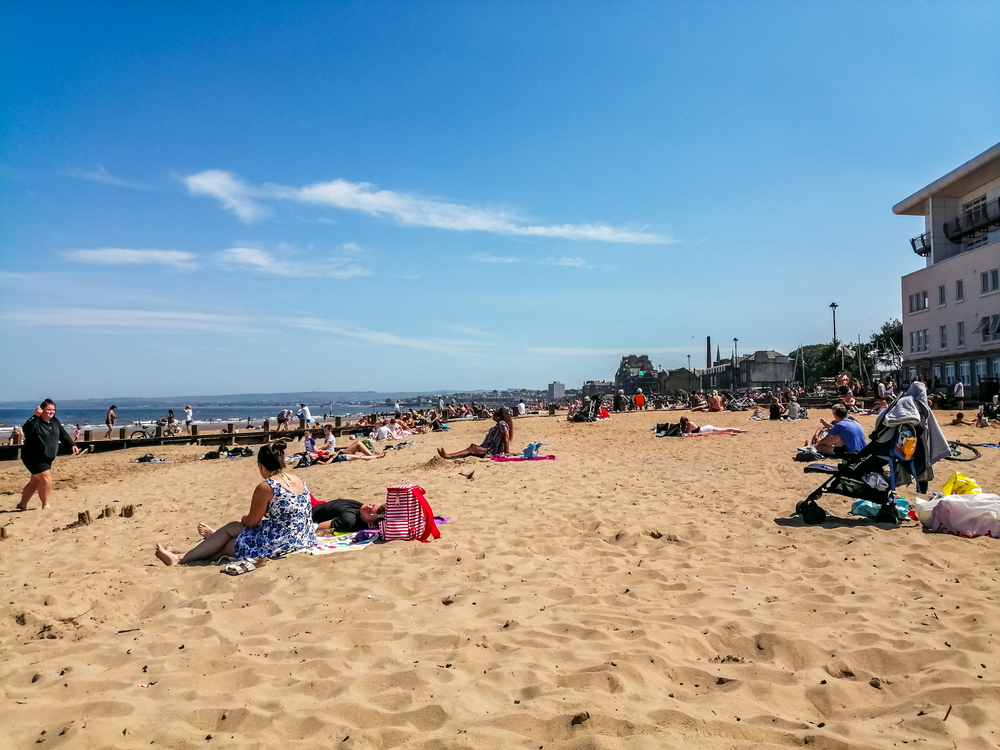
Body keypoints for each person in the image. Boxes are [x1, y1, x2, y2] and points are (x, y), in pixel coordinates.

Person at [155, 440, 316, 565]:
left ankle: (180, 558)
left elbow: (252, 522)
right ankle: (184, 553)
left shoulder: (267, 486)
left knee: (231, 541)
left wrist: (244, 519)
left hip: (284, 541)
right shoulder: (297, 479)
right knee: (232, 530)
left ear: (261, 466)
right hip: (303, 537)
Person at [17, 399, 81, 510]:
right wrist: (35, 416)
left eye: (53, 410)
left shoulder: (55, 422)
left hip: (47, 457)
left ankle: (22, 504)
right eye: (48, 410)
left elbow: (63, 434)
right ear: (41, 410)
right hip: (33, 457)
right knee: (46, 479)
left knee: (35, 482)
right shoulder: (35, 421)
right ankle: (45, 505)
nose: (51, 412)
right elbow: (27, 429)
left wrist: (72, 444)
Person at [438, 407, 513, 459]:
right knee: (471, 450)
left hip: (491, 449)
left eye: (495, 415)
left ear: (499, 416)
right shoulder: (500, 424)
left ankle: (449, 456)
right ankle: (450, 455)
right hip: (488, 447)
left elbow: (506, 437)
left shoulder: (502, 423)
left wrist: (507, 453)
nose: (493, 416)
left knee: (472, 448)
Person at [312, 499, 385, 532]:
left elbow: (319, 527)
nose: (366, 506)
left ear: (371, 524)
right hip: (314, 508)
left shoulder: (349, 521)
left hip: (311, 512)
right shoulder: (359, 510)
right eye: (372, 505)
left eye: (369, 511)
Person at [315, 439, 385, 464]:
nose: (311, 454)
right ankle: (373, 455)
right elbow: (326, 463)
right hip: (340, 454)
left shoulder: (318, 455)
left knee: (360, 452)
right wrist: (335, 455)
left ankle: (372, 454)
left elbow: (329, 453)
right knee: (358, 443)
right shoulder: (318, 460)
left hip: (340, 453)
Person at [678, 416, 747, 435]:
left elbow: (689, 433)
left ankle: (741, 431)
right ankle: (740, 430)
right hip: (705, 428)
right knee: (724, 429)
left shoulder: (690, 424)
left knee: (725, 429)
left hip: (706, 429)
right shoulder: (689, 424)